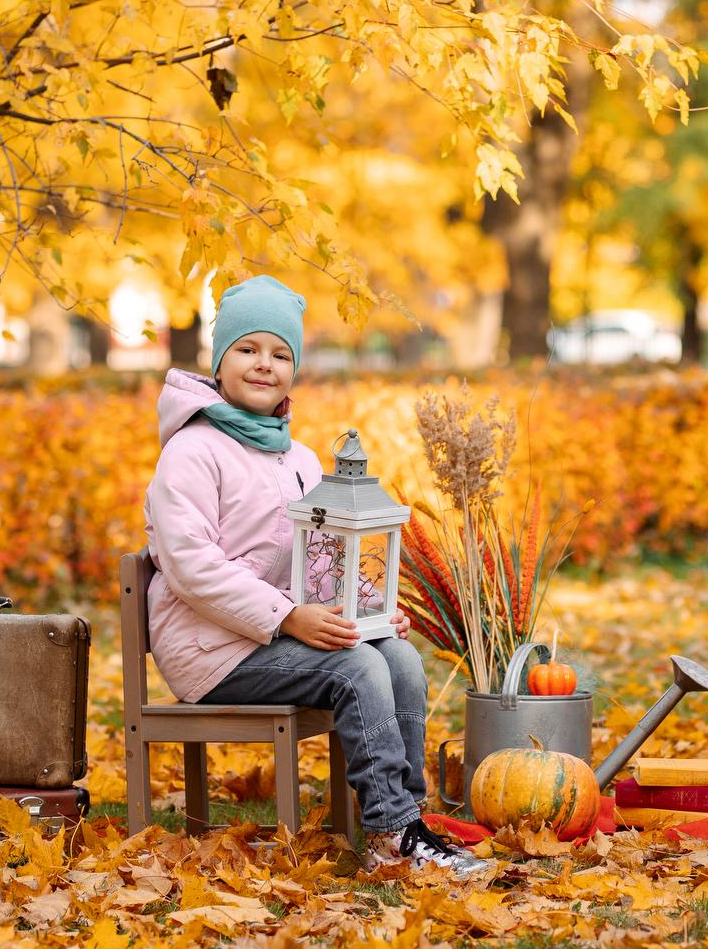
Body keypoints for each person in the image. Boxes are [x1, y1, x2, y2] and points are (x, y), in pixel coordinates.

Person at [143, 275, 489, 876]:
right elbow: (191, 566)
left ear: (294, 370)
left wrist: (370, 611)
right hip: (211, 649)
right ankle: (391, 836)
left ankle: (412, 821)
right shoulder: (191, 450)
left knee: (396, 657)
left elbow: (322, 559)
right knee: (356, 668)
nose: (264, 365)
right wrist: (286, 616)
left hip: (276, 636)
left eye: (281, 354)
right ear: (219, 362)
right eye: (248, 349)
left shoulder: (300, 460)